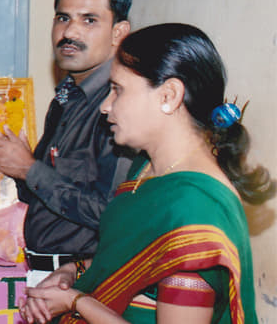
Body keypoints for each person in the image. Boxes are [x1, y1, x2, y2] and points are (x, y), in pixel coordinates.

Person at [19, 23, 275, 324]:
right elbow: (137, 257)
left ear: (168, 95)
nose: (105, 106)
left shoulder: (194, 213)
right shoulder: (149, 168)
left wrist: (76, 302)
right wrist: (75, 270)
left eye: (117, 90)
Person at [0, 0, 132, 287]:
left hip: (87, 281)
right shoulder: (66, 99)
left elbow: (112, 215)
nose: (69, 32)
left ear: (118, 33)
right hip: (47, 275)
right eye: (63, 18)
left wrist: (29, 168)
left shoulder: (116, 108)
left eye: (89, 20)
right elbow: (47, 194)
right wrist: (17, 167)